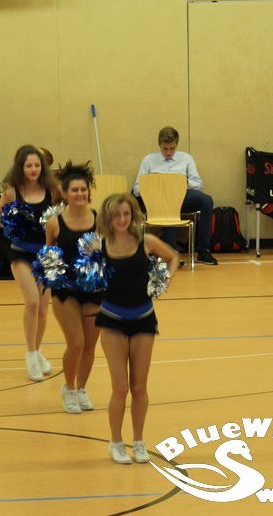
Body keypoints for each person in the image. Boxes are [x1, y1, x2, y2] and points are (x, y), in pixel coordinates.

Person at [95, 193, 179, 464]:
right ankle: (115, 442)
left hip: (143, 318)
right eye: (116, 215)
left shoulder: (146, 241)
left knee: (140, 388)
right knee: (120, 388)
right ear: (108, 217)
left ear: (133, 215)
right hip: (111, 320)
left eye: (126, 214)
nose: (122, 219)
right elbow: (81, 272)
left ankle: (139, 441)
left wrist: (163, 282)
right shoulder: (98, 245)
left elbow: (173, 257)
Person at [0, 145, 59, 381]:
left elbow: (60, 215)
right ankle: (30, 354)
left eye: (37, 165)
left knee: (43, 309)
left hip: (45, 255)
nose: (33, 169)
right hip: (20, 253)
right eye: (29, 165)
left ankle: (37, 350)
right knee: (32, 301)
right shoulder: (12, 191)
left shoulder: (52, 190)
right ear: (21, 167)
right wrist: (7, 224)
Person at [44, 161, 101, 414]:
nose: (80, 194)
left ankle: (81, 389)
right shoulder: (54, 223)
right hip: (65, 289)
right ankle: (68, 388)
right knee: (76, 343)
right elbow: (48, 257)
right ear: (65, 194)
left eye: (83, 190)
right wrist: (50, 282)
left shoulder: (99, 220)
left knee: (90, 345)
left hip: (93, 288)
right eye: (75, 190)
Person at [133, 126, 218, 265]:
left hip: (182, 196)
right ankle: (172, 253)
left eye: (172, 148)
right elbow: (137, 189)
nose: (168, 152)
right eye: (165, 149)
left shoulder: (186, 158)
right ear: (159, 145)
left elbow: (198, 184)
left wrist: (181, 183)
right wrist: (155, 185)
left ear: (177, 144)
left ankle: (203, 250)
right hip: (158, 200)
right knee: (168, 203)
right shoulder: (149, 160)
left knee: (206, 201)